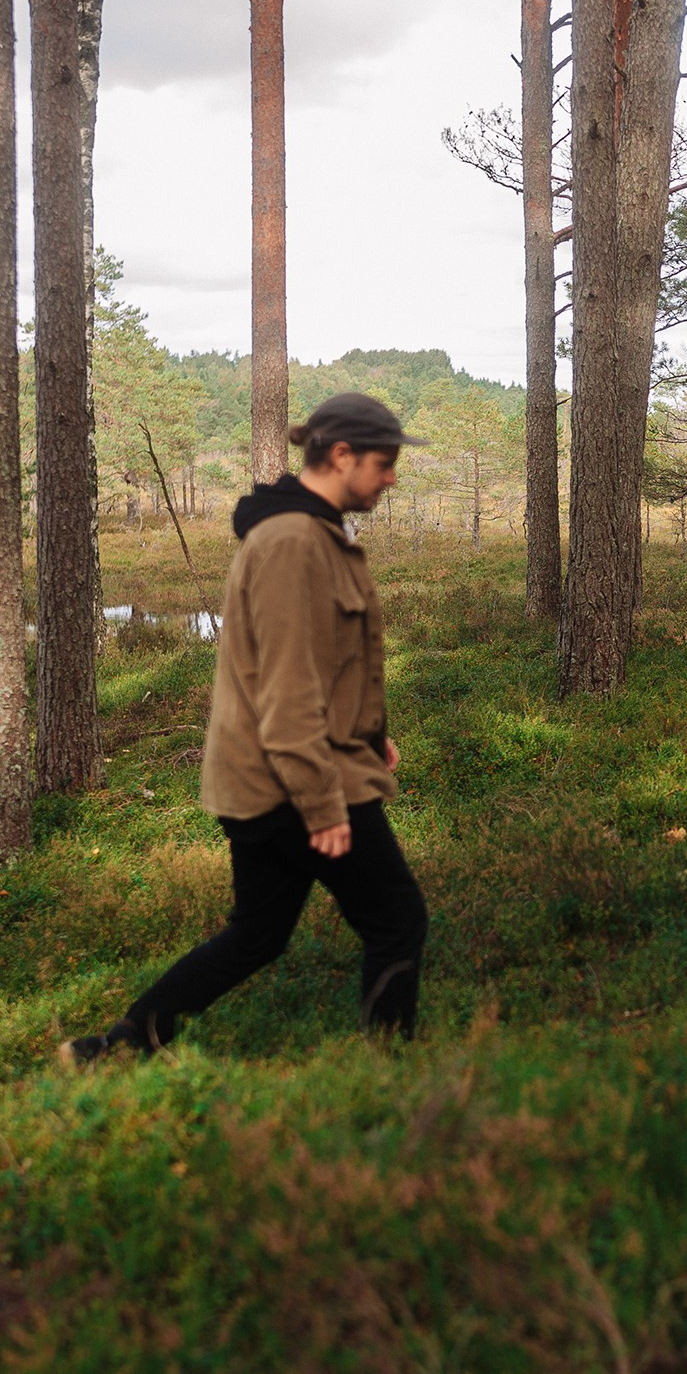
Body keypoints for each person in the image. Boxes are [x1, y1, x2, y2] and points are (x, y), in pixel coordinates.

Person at [61, 392, 430, 1065]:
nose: (392, 477)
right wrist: (323, 803)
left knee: (257, 934)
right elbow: (287, 691)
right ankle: (387, 1072)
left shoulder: (307, 534)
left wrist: (372, 736)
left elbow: (321, 662)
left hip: (270, 779)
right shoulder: (292, 543)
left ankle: (112, 1049)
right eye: (385, 463)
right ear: (341, 454)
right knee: (397, 917)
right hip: (296, 783)